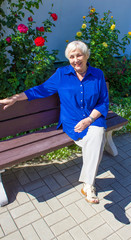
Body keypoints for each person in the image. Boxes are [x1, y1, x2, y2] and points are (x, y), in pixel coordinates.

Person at [0, 40, 109, 204]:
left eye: (79, 55)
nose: (75, 60)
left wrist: (89, 119)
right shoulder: (61, 74)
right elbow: (41, 90)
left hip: (92, 119)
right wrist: (16, 98)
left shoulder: (97, 74)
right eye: (71, 56)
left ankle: (88, 184)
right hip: (72, 122)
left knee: (98, 133)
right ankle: (89, 185)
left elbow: (103, 102)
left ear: (86, 56)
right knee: (96, 142)